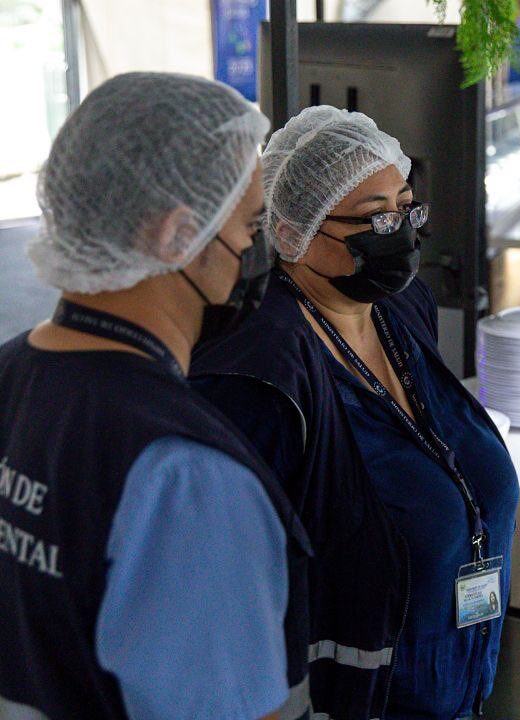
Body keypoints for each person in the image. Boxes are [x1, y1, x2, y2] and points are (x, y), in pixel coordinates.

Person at [190, 105, 520, 720]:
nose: (400, 234)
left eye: (406, 209)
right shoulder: (258, 375)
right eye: (375, 218)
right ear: (295, 231)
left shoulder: (402, 309)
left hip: (460, 693)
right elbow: (227, 595)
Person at [0, 72, 312, 720]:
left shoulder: (11, 374)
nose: (257, 251)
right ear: (177, 235)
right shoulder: (187, 478)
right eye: (250, 225)